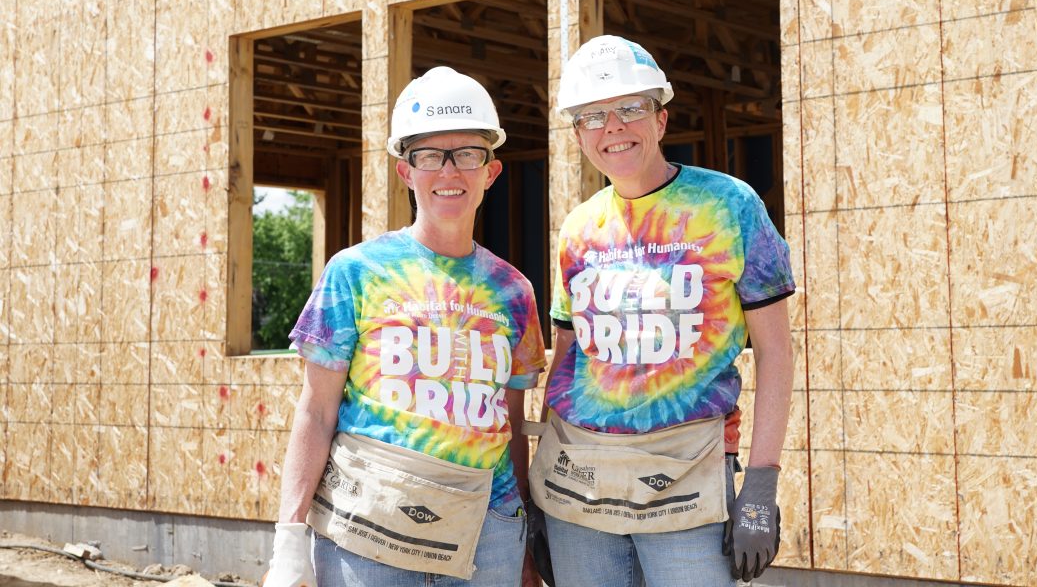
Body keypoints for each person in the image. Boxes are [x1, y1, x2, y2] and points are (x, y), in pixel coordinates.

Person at [527, 35, 795, 586]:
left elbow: (775, 349)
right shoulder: (579, 229)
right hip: (582, 481)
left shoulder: (728, 206)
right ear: (578, 135)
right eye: (593, 116)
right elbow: (567, 358)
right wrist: (541, 488)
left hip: (688, 476)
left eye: (631, 108)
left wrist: (762, 483)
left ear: (661, 120)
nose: (614, 127)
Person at [263, 66, 546, 587]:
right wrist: (289, 540)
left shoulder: (514, 292)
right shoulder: (356, 272)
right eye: (430, 156)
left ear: (492, 171)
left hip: (488, 536)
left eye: (467, 154)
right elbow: (317, 410)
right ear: (405, 171)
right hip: (369, 530)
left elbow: (510, 427)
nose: (449, 172)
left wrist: (525, 538)